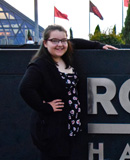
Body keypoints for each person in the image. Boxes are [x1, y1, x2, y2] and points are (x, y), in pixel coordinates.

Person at [19, 24, 117, 160]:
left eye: (63, 40)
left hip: (71, 127)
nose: (60, 44)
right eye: (54, 41)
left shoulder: (66, 58)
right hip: (52, 130)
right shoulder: (40, 65)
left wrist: (98, 46)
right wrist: (45, 107)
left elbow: (75, 42)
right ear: (45, 43)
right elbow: (25, 88)